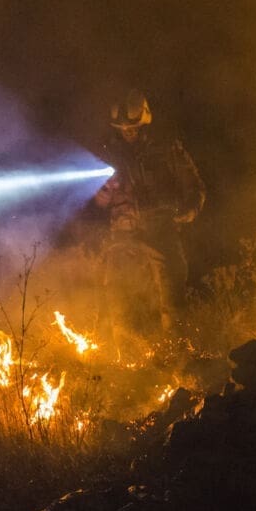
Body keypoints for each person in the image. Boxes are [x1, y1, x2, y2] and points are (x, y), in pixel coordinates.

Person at [93, 88, 206, 337]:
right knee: (119, 299)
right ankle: (126, 354)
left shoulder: (166, 149)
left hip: (160, 230)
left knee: (172, 298)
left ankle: (176, 352)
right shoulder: (109, 155)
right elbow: (99, 202)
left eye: (132, 127)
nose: (127, 132)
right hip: (122, 232)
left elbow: (195, 188)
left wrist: (187, 212)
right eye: (122, 128)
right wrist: (103, 194)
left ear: (144, 122)